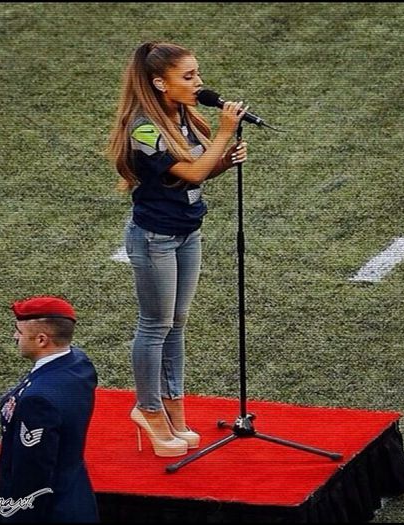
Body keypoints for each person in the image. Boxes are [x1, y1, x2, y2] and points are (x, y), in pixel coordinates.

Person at [107, 41, 249, 457]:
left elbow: (196, 177)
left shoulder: (183, 115)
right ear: (159, 82)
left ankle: (173, 407)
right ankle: (148, 410)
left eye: (197, 73)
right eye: (188, 76)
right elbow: (191, 169)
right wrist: (224, 134)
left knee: (177, 324)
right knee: (154, 325)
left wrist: (225, 159)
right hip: (155, 238)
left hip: (187, 231)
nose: (199, 82)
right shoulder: (145, 128)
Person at [0, 295, 99, 522]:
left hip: (49, 511)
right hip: (76, 494)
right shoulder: (79, 363)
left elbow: (33, 473)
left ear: (42, 340)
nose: (15, 337)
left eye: (19, 332)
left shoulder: (38, 401)